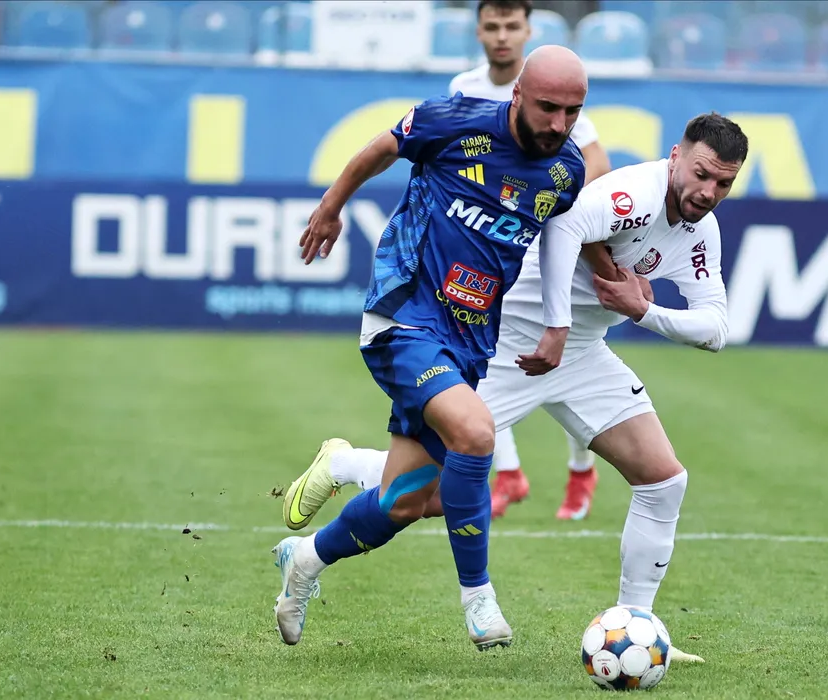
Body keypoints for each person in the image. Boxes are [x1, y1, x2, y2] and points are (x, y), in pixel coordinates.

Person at [282, 114, 748, 659]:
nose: (709, 191)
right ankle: (343, 468)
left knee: (664, 480)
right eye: (701, 174)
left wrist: (642, 310)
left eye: (724, 183)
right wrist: (557, 324)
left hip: (583, 356)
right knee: (419, 498)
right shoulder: (632, 193)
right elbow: (562, 225)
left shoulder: (701, 232)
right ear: (675, 157)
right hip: (511, 350)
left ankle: (636, 629)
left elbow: (716, 328)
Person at [272, 45, 589, 652]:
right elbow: (382, 148)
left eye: (572, 112)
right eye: (548, 107)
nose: (559, 124)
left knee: (408, 503)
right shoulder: (455, 119)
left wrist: (560, 321)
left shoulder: (565, 171)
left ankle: (305, 557)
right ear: (518, 95)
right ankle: (478, 598)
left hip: (469, 343)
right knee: (476, 434)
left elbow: (564, 232)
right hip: (403, 316)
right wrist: (331, 207)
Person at [451, 0, 613, 522]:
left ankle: (580, 468)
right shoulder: (464, 88)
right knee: (482, 359)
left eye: (511, 26)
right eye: (492, 26)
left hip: (547, 248)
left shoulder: (552, 91)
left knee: (568, 357)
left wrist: (551, 206)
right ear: (478, 31)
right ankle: (509, 473)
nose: (502, 36)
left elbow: (597, 164)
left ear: (527, 31)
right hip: (488, 246)